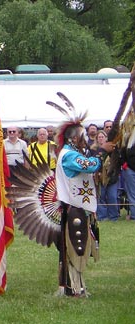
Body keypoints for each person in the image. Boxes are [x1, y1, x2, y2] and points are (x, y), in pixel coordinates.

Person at [55, 117, 113, 297]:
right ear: (73, 139)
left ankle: (74, 286)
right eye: (82, 136)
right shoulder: (69, 155)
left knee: (76, 244)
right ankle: (74, 288)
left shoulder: (71, 152)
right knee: (76, 245)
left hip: (77, 206)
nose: (85, 139)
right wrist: (102, 151)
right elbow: (90, 166)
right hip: (74, 207)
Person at [93, 131, 120, 221]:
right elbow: (93, 163)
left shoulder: (113, 149)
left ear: (106, 138)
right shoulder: (93, 150)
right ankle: (102, 216)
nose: (101, 138)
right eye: (99, 137)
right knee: (101, 197)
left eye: (102, 136)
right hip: (99, 177)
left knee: (112, 196)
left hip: (111, 177)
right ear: (96, 139)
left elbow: (116, 162)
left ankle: (114, 216)